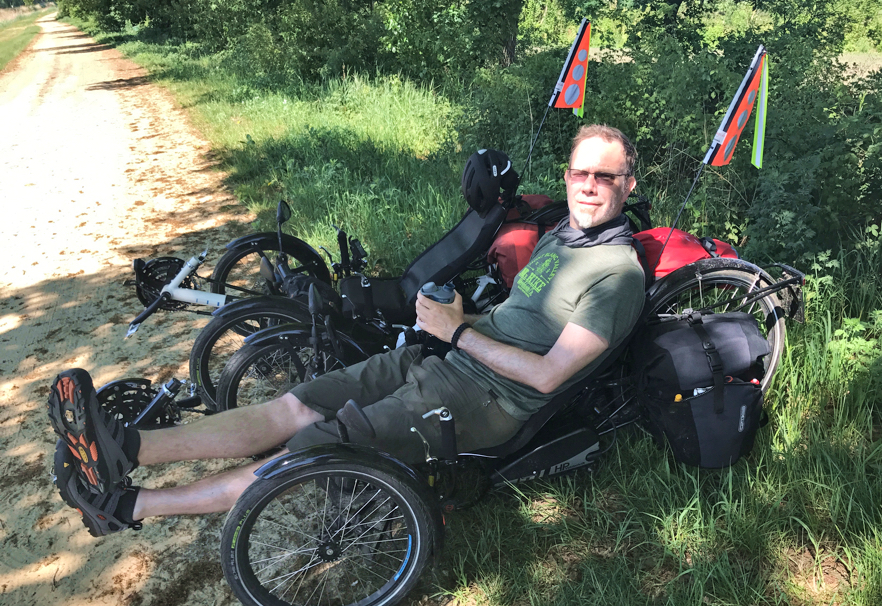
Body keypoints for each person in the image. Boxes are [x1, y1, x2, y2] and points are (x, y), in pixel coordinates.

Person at [47, 124, 647, 537]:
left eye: (606, 177)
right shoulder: (562, 235)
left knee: (309, 447)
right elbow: (520, 320)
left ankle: (127, 504)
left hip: (488, 401)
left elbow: (547, 375)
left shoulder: (617, 274)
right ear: (567, 175)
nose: (589, 186)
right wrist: (457, 319)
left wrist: (458, 332)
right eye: (581, 172)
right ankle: (124, 447)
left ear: (628, 186)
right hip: (443, 360)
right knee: (296, 405)